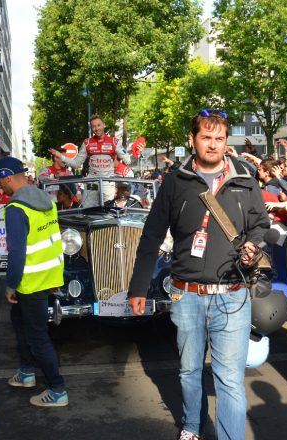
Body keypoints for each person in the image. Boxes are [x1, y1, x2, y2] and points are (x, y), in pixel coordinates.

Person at [128, 110, 270, 440]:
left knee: (230, 379)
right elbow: (151, 235)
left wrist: (255, 244)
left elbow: (261, 225)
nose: (213, 145)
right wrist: (138, 287)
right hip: (186, 294)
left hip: (233, 295)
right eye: (206, 137)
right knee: (189, 370)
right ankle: (192, 425)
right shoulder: (174, 181)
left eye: (219, 138)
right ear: (192, 139)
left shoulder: (245, 178)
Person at [0, 156, 68, 407]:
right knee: (19, 321)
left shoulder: (16, 208)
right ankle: (26, 372)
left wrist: (10, 285)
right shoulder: (46, 200)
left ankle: (57, 389)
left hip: (30, 280)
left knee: (37, 336)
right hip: (48, 275)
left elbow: (16, 252)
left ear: (7, 178)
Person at [48, 115, 132, 206]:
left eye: (99, 125)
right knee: (88, 210)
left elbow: (128, 161)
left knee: (108, 211)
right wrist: (60, 155)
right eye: (94, 126)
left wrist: (123, 154)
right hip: (92, 182)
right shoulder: (87, 143)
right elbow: (76, 164)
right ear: (91, 128)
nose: (97, 128)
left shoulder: (114, 142)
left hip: (107, 183)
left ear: (104, 125)